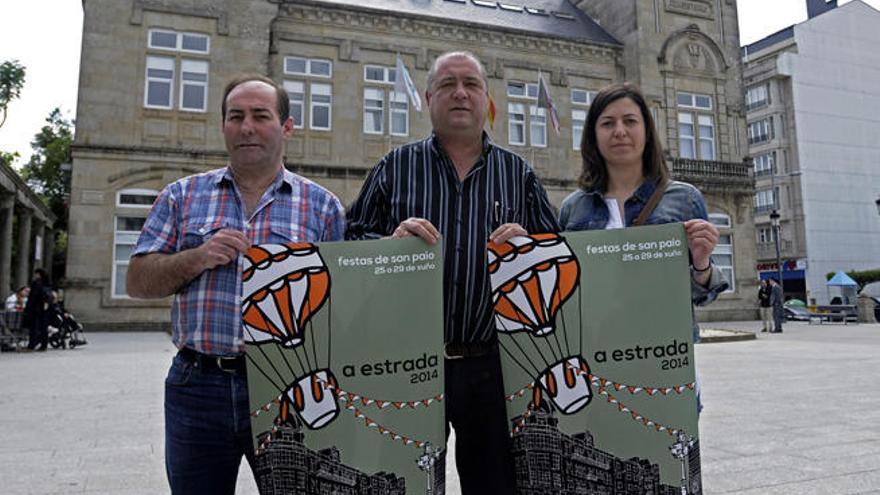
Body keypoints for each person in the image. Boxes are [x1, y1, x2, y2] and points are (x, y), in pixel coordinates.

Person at [346, 51, 559, 493]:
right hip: (408, 364)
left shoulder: (517, 174)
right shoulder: (395, 167)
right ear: (428, 98)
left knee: (494, 484)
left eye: (470, 84)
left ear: (487, 99)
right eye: (446, 84)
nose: (459, 93)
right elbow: (349, 246)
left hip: (491, 364)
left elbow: (559, 260)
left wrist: (530, 248)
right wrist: (386, 247)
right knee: (403, 481)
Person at [126, 75, 345, 495]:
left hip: (287, 387)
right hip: (198, 386)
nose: (246, 127)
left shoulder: (323, 207)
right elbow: (137, 281)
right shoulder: (181, 196)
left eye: (261, 116)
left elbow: (345, 301)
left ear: (287, 127)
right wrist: (198, 256)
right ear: (223, 125)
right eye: (235, 116)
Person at [558, 83, 729, 409]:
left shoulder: (685, 199)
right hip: (594, 356)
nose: (619, 131)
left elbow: (700, 296)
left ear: (647, 131)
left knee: (670, 452)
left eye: (630, 121)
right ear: (593, 135)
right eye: (607, 123)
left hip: (663, 357)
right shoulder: (573, 208)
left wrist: (702, 265)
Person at [24, 269, 52, 351]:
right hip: (45, 308)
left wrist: (28, 307)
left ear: (38, 274)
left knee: (34, 327)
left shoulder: (36, 283)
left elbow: (33, 297)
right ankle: (44, 345)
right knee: (44, 327)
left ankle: (31, 345)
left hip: (35, 308)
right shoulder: (47, 283)